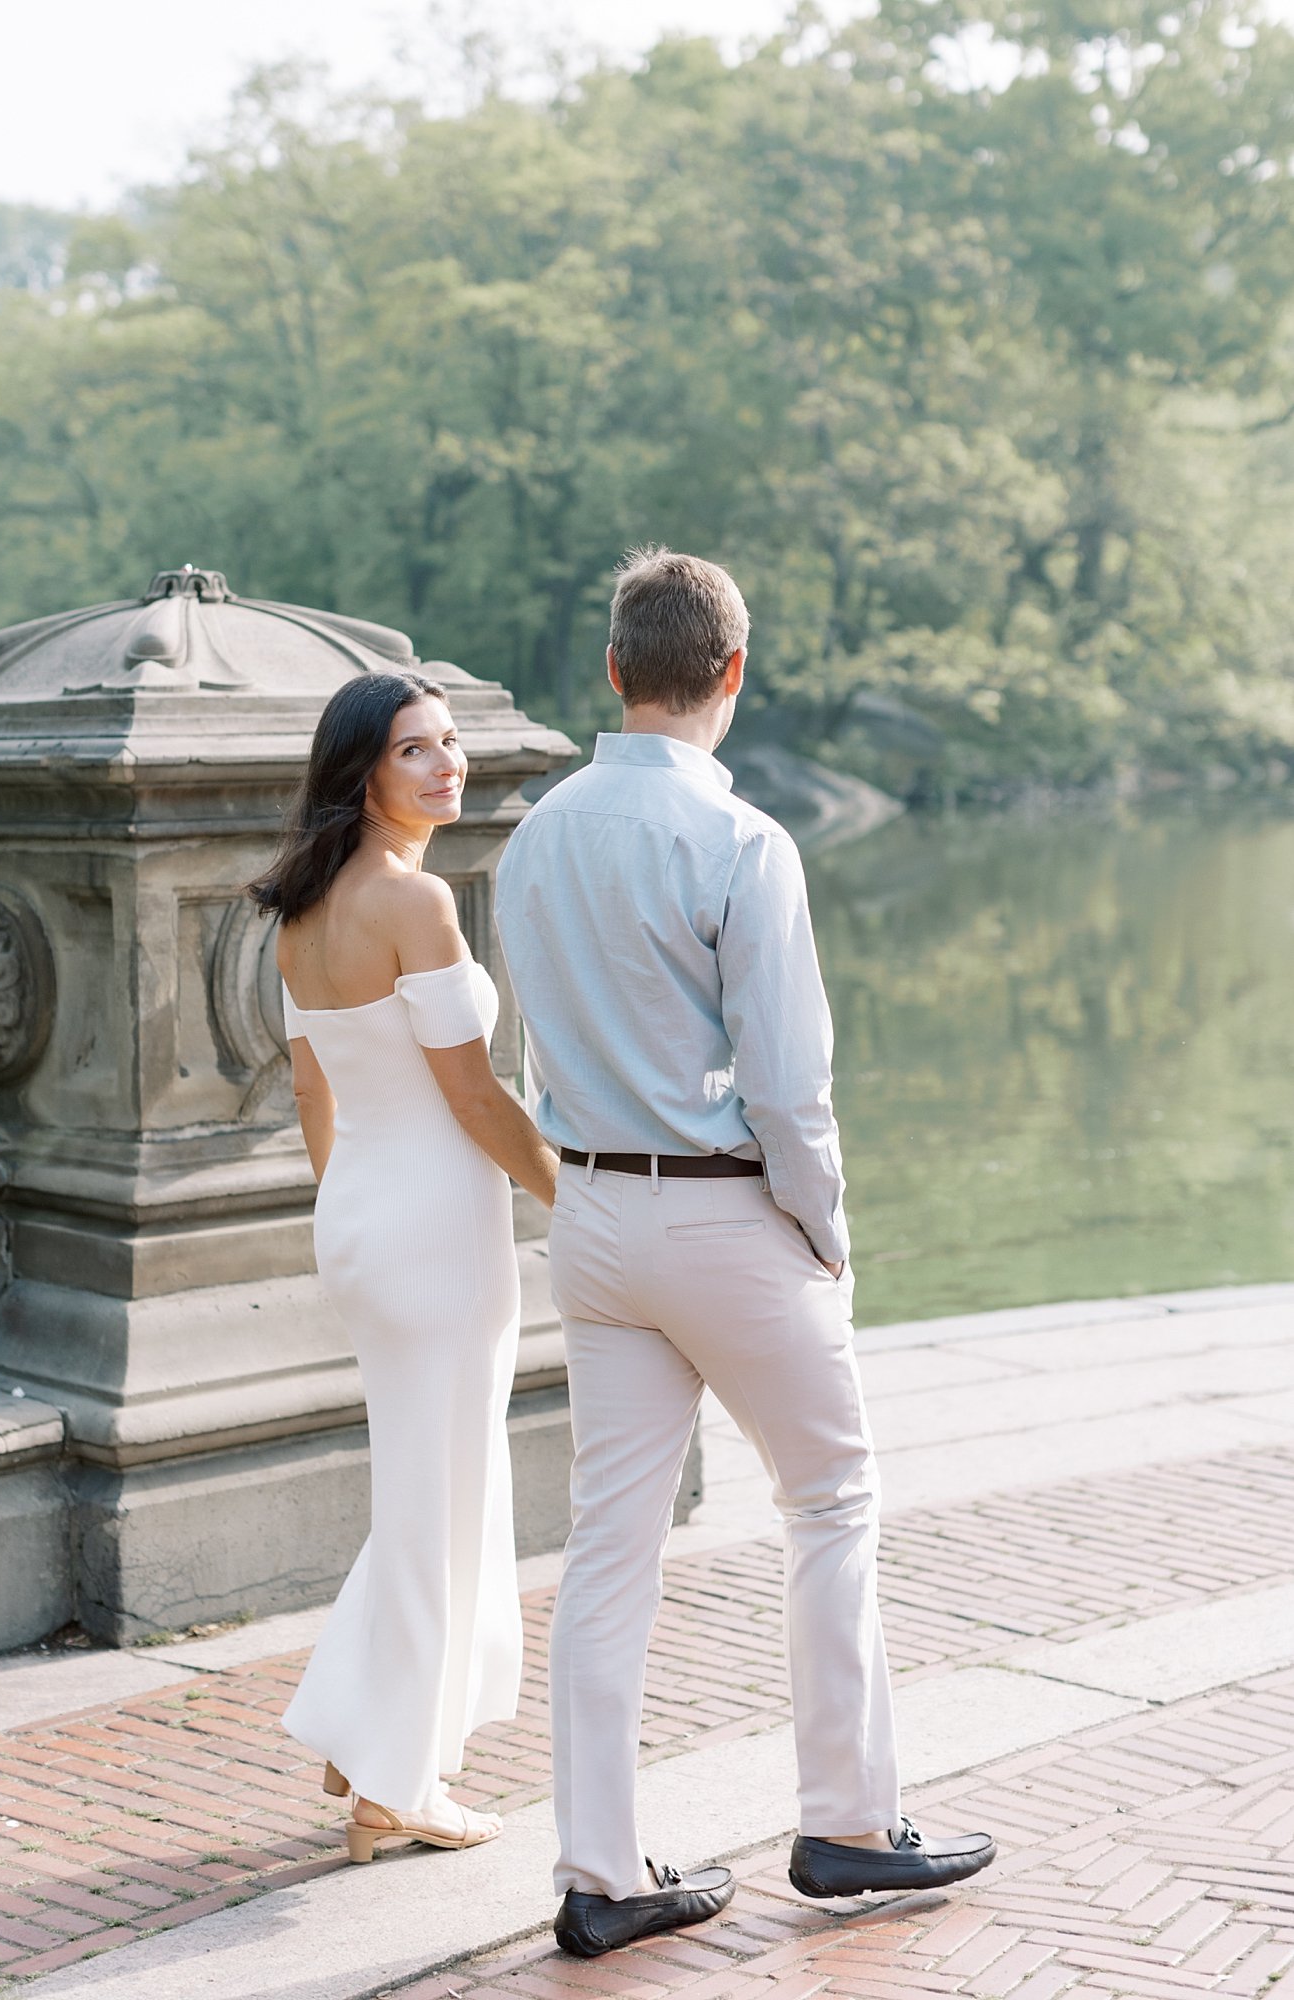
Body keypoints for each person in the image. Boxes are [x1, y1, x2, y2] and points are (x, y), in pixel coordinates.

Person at [495, 548, 996, 1959]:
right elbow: (788, 1085)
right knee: (832, 1496)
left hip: (591, 1216)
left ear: (612, 671)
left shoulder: (532, 837)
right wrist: (826, 1231)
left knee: (609, 1549)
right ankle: (847, 1821)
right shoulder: (743, 843)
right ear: (731, 671)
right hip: (723, 1210)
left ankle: (599, 1870)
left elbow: (529, 1044)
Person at [251, 670, 558, 1864]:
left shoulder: (301, 911)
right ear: (362, 774)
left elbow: (311, 1088)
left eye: (450, 741)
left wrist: (349, 1205)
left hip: (364, 1218)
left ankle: (361, 1727)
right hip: (435, 1226)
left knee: (425, 1487)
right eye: (414, 750)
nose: (446, 765)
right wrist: (567, 1196)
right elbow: (472, 1091)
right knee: (444, 1501)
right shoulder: (416, 901)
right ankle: (395, 1786)